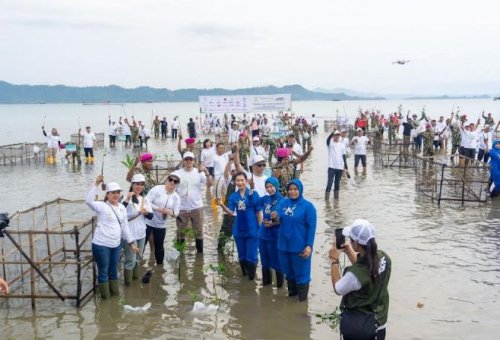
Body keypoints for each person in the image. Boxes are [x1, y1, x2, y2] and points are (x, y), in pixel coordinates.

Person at [329, 219, 391, 340]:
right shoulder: (384, 257)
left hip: (360, 328)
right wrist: (349, 251)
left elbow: (338, 288)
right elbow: (368, 273)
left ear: (356, 244)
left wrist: (334, 260)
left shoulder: (354, 276)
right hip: (379, 323)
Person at [86, 176, 139, 299]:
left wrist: (131, 243)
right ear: (108, 194)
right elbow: (88, 201)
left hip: (116, 244)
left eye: (117, 192)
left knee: (113, 271)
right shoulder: (101, 206)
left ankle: (114, 299)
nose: (115, 195)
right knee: (103, 272)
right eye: (113, 193)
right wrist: (95, 185)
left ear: (120, 194)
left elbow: (125, 226)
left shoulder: (121, 207)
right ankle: (105, 299)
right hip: (101, 245)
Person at [274, 179, 316, 301]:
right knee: (289, 273)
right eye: (290, 189)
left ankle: (302, 305)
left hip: (300, 248)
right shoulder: (283, 203)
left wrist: (309, 246)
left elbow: (312, 228)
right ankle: (292, 300)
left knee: (302, 276)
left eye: (295, 189)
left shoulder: (308, 207)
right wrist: (275, 217)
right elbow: (277, 220)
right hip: (284, 247)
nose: (293, 192)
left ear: (300, 190)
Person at [218, 172, 263, 281]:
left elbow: (258, 212)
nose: (240, 182)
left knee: (251, 256)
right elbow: (231, 212)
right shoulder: (234, 196)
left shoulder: (253, 193)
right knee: (242, 256)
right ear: (235, 182)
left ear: (246, 181)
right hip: (239, 229)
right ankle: (245, 279)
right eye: (238, 180)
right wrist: (222, 205)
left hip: (252, 228)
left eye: (242, 180)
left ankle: (251, 283)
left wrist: (261, 228)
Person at [172, 151, 212, 253]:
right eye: (186, 159)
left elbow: (210, 184)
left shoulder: (200, 173)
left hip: (197, 207)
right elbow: (168, 189)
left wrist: (207, 172)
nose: (189, 161)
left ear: (194, 161)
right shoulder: (176, 174)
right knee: (180, 233)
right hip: (181, 208)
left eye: (191, 159)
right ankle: (179, 255)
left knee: (199, 231)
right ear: (183, 161)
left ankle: (200, 255)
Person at [121, 174, 153, 284]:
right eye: (137, 184)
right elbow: (120, 212)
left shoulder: (145, 200)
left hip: (141, 233)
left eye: (141, 185)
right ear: (132, 185)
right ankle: (128, 286)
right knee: (130, 260)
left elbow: (151, 216)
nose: (139, 187)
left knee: (139, 258)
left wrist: (146, 212)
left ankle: (135, 283)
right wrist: (127, 199)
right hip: (129, 234)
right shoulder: (126, 198)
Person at [145, 174, 181, 265]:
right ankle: (137, 265)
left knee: (159, 246)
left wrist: (170, 212)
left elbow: (176, 213)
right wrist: (158, 209)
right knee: (142, 244)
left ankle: (160, 269)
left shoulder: (176, 197)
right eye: (170, 180)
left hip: (161, 224)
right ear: (166, 181)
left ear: (177, 185)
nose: (172, 182)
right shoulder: (157, 189)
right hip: (147, 222)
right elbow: (146, 201)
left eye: (175, 181)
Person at [259, 177, 284, 287]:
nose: (269, 189)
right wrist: (251, 188)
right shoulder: (265, 199)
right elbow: (251, 201)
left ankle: (279, 288)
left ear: (276, 186)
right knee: (264, 262)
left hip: (275, 236)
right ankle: (266, 288)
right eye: (267, 187)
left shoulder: (282, 200)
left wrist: (273, 223)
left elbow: (283, 219)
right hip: (263, 234)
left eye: (271, 186)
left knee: (276, 262)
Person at [326, 130, 349, 200]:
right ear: (333, 136)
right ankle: (326, 200)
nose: (337, 136)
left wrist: (346, 168)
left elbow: (344, 157)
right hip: (331, 167)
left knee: (337, 184)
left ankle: (336, 200)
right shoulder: (331, 144)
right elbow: (327, 140)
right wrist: (332, 132)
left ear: (339, 136)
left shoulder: (342, 145)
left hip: (340, 168)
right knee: (329, 183)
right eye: (335, 135)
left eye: (338, 135)